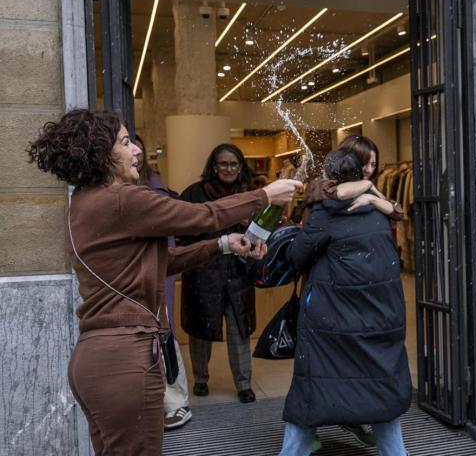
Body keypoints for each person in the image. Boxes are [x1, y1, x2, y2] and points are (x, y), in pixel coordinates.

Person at [26, 109, 300, 456]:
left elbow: (160, 262)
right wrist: (265, 196)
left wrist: (222, 244)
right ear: (101, 153)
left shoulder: (84, 202)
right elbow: (203, 215)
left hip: (96, 360)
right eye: (126, 142)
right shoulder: (124, 200)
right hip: (126, 359)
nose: (138, 150)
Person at [278, 150, 411, 456]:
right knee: (381, 392)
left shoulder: (325, 212)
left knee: (311, 391)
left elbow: (297, 257)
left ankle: (294, 451)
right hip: (379, 319)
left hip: (331, 323)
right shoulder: (378, 210)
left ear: (331, 178)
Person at [178, 143, 263, 403]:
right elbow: (181, 232)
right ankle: (201, 379)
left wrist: (250, 227)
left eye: (234, 164)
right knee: (200, 330)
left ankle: (244, 384)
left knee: (239, 329)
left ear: (241, 167)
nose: (229, 169)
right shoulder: (194, 193)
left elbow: (264, 230)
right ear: (213, 167)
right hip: (203, 273)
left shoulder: (252, 194)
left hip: (238, 274)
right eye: (223, 164)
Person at [134, 135, 192, 430]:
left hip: (155, 275)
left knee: (163, 334)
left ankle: (175, 401)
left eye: (137, 147)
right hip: (130, 281)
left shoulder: (155, 189)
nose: (134, 152)